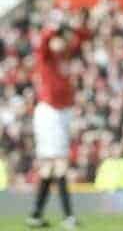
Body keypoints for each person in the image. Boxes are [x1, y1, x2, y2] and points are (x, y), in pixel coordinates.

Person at [27, 12, 90, 229]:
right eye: (58, 38)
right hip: (51, 112)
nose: (60, 41)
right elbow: (45, 39)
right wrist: (57, 26)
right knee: (60, 163)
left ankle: (35, 215)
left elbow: (84, 36)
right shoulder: (46, 56)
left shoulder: (65, 55)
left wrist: (71, 28)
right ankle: (68, 217)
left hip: (61, 112)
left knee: (48, 168)